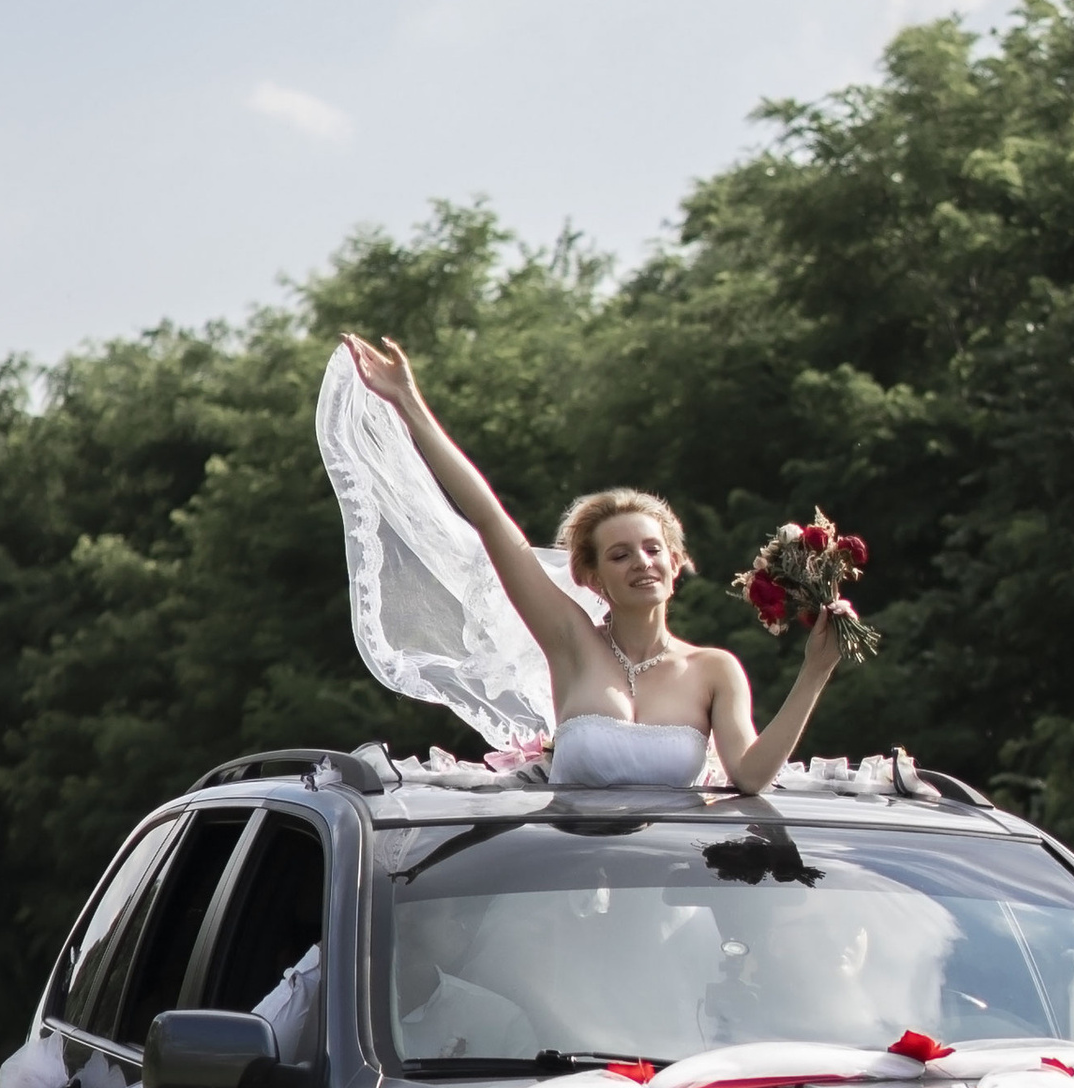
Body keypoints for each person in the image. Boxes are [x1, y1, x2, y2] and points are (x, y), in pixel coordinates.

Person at [338, 334, 841, 792]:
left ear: (675, 562)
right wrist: (408, 401)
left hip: (667, 882)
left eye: (652, 549)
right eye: (619, 555)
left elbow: (750, 778)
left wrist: (815, 672)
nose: (641, 563)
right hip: (569, 879)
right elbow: (492, 521)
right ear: (592, 577)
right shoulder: (569, 640)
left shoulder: (715, 670)